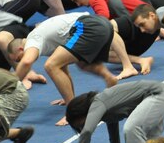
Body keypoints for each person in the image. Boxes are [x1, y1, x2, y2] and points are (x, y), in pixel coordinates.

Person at [7, 12, 137, 110]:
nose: (20, 61)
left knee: (50, 65)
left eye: (18, 58)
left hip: (88, 26)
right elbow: (63, 69)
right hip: (100, 24)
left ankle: (72, 110)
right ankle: (109, 78)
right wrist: (67, 96)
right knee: (80, 64)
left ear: (20, 49)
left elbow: (27, 62)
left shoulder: (33, 39)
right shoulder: (44, 41)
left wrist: (10, 84)